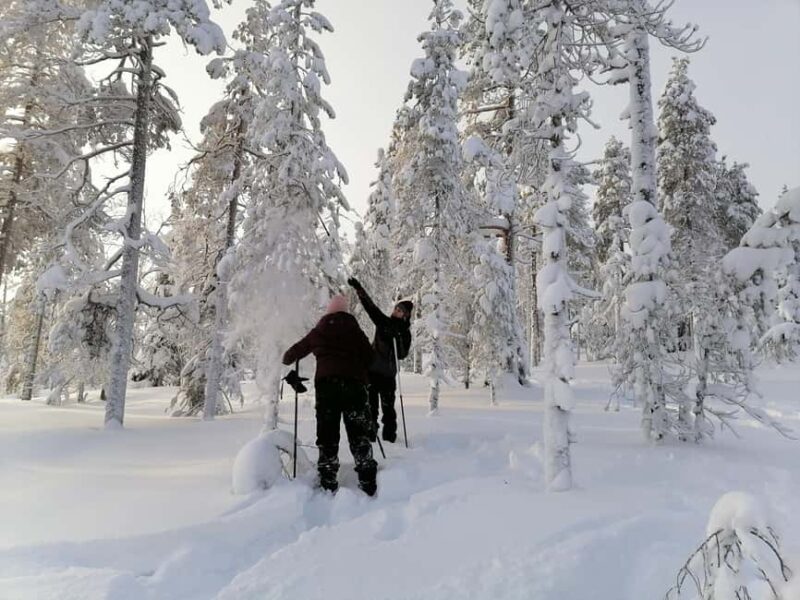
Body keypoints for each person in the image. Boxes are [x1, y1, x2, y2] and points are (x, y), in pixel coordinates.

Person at [282, 294, 378, 496]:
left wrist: (290, 358)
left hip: (327, 388)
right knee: (358, 434)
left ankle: (328, 480)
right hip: (354, 387)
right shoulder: (355, 330)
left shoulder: (319, 330)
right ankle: (367, 480)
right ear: (346, 311)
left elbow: (291, 354)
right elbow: (371, 359)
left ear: (329, 311)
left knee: (327, 434)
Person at [346, 277, 413, 444]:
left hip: (388, 375)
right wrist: (359, 288)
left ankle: (389, 437)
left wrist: (397, 339)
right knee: (371, 406)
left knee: (388, 408)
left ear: (406, 315)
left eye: (400, 310)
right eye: (396, 308)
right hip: (372, 371)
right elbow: (370, 307)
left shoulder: (405, 333)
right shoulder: (384, 322)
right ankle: (371, 434)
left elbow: (403, 355)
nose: (396, 311)